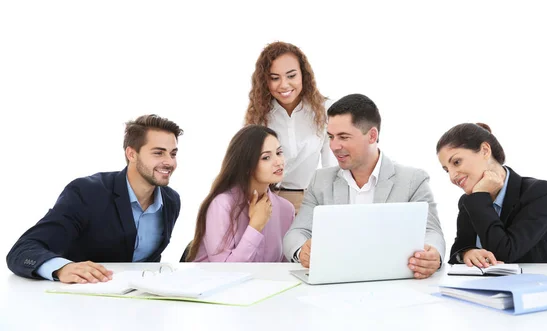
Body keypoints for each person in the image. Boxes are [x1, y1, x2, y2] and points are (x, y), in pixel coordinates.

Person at [283, 94, 445, 279]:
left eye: (343, 137)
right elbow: (296, 233)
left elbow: (432, 232)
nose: (334, 146)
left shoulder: (413, 180)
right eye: (331, 137)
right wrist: (301, 251)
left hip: (394, 284)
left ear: (372, 136)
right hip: (337, 284)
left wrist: (434, 256)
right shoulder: (320, 180)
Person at [6, 114, 183, 283]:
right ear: (131, 154)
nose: (170, 162)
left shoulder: (171, 201)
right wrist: (62, 268)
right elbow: (22, 250)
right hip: (80, 301)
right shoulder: (87, 193)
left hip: (139, 301)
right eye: (158, 153)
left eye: (173, 153)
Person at [436, 122, 547, 267]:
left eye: (456, 162)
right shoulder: (469, 201)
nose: (452, 177)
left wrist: (480, 196)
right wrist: (467, 253)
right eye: (446, 170)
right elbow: (458, 251)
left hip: (532, 286)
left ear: (485, 150)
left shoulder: (539, 193)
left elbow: (505, 253)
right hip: (481, 286)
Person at [244, 41, 336, 213]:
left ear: (303, 75)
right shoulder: (257, 116)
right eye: (275, 78)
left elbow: (331, 166)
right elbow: (248, 168)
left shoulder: (326, 110)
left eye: (291, 75)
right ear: (265, 81)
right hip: (268, 201)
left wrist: (330, 206)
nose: (284, 85)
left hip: (311, 200)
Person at [187, 125, 295, 262]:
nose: (279, 162)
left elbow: (284, 267)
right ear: (246, 165)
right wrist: (255, 226)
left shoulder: (286, 209)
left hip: (264, 283)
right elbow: (225, 271)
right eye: (266, 157)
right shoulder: (222, 205)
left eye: (279, 153)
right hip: (214, 282)